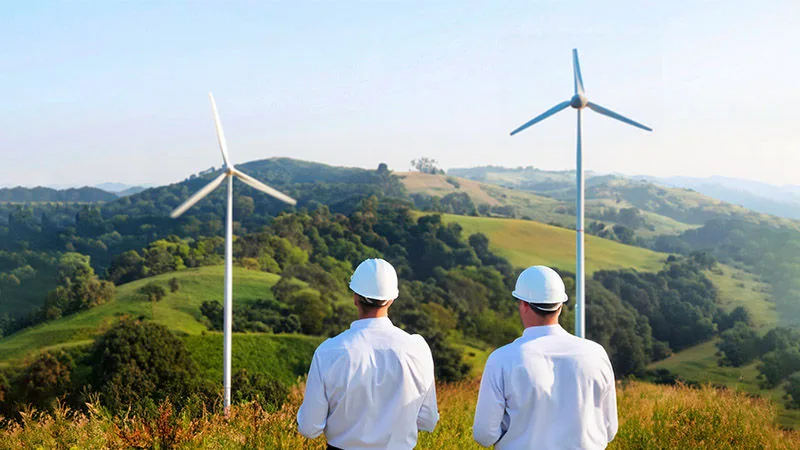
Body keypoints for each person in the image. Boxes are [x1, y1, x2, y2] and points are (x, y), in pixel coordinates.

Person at [297, 258, 439, 450]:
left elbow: (309, 429)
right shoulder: (418, 349)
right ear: (391, 299)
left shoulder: (328, 352)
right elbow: (428, 422)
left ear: (355, 297)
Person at [472, 265, 618, 449]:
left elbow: (484, 435)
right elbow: (610, 429)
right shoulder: (597, 354)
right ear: (561, 306)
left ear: (524, 304)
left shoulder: (501, 359)